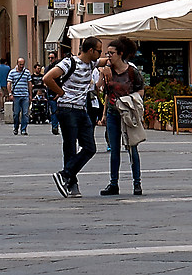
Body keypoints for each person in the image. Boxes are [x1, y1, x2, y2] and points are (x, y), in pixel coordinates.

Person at [44, 40, 103, 196]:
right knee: (70, 146)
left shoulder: (92, 63)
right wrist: (62, 93)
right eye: (99, 51)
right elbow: (47, 78)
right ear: (90, 50)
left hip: (81, 110)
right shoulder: (69, 62)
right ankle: (71, 184)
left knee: (90, 147)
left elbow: (109, 60)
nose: (100, 54)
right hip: (67, 109)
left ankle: (65, 174)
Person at [98, 41, 145, 196]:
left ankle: (137, 183)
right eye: (107, 53)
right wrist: (104, 114)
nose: (108, 56)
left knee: (132, 147)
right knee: (114, 150)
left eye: (111, 53)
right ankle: (113, 183)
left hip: (128, 113)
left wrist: (129, 101)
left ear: (120, 54)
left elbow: (141, 90)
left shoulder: (132, 71)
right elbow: (103, 91)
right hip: (112, 113)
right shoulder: (108, 71)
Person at [9, 54, 35, 134]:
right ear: (17, 63)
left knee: (25, 113)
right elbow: (9, 83)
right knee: (16, 113)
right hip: (16, 95)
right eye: (20, 64)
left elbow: (29, 83)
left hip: (25, 95)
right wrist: (10, 93)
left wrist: (30, 95)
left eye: (23, 64)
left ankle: (23, 129)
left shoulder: (26, 72)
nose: (21, 66)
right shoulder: (12, 72)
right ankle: (16, 127)